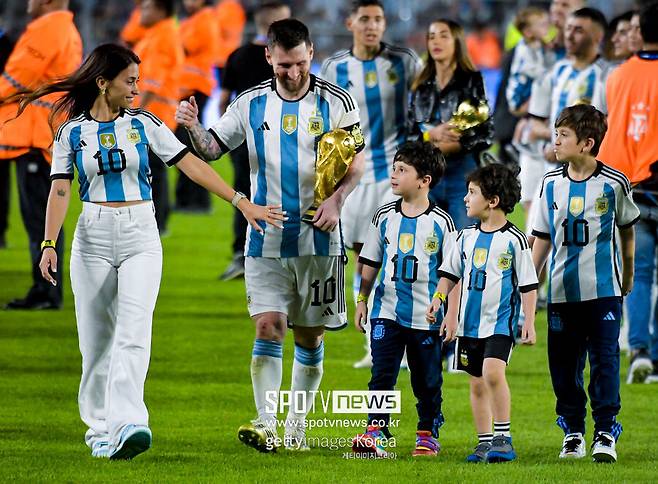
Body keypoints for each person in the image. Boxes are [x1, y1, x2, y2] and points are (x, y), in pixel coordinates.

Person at [6, 43, 283, 460]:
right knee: (96, 342)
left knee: (134, 333)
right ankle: (100, 431)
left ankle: (130, 423)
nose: (137, 89)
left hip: (140, 235)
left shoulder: (146, 123)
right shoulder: (70, 132)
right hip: (92, 238)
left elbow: (190, 164)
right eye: (130, 81)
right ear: (104, 83)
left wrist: (239, 200)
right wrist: (48, 244)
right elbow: (60, 188)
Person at [175, 18, 365, 452]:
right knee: (269, 326)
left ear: (311, 53)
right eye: (283, 65)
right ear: (268, 57)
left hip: (319, 238)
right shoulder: (250, 102)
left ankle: (297, 426)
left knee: (308, 336)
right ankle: (267, 424)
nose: (293, 73)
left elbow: (354, 164)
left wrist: (336, 202)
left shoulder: (337, 102)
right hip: (265, 237)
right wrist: (191, 124)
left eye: (299, 63)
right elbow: (211, 149)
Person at [532, 104, 639, 463]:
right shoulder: (550, 184)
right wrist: (530, 285)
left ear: (587, 144)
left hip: (604, 291)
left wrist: (629, 270)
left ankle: (606, 431)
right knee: (563, 366)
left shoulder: (614, 183)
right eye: (556, 132)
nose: (555, 140)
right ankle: (574, 432)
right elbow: (542, 239)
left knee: (605, 361)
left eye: (563, 135)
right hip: (561, 293)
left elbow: (627, 229)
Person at [320, 0, 421, 369]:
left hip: (396, 174)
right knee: (364, 258)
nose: (372, 26)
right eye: (365, 19)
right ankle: (373, 341)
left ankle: (403, 342)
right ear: (350, 22)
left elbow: (424, 103)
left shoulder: (405, 61)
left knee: (396, 256)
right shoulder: (335, 67)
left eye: (378, 19)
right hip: (356, 175)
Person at [427, 163, 538, 464]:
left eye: (472, 192)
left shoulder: (514, 240)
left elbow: (528, 285)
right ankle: (484, 442)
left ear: (493, 201)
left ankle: (503, 437)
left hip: (500, 324)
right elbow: (449, 275)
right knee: (476, 381)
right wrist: (439, 300)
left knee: (492, 372)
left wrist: (528, 321)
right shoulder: (464, 238)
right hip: (468, 326)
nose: (465, 198)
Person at [351, 141, 456, 458]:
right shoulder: (383, 216)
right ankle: (376, 431)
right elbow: (369, 262)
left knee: (427, 380)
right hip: (387, 311)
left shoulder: (442, 222)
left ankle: (427, 431)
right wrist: (361, 300)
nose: (394, 175)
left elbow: (450, 272)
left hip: (426, 316)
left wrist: (448, 314)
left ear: (424, 180)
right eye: (394, 168)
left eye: (402, 170)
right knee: (381, 373)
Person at [0, 0, 82, 310]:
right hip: (41, 135)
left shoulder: (49, 29)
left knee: (40, 221)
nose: (27, 2)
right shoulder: (62, 28)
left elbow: (15, 82)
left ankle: (46, 291)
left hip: (35, 136)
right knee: (41, 220)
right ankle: (46, 289)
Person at [597, 1, 658, 384]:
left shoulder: (618, 76)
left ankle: (638, 350)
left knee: (640, 272)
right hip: (655, 178)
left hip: (629, 185)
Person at [218, 0, 291, 281]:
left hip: (244, 138)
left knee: (243, 194)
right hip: (282, 136)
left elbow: (224, 100)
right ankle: (276, 252)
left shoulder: (237, 55)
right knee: (281, 192)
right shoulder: (285, 60)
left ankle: (242, 252)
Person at [407, 18, 494, 232]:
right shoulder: (421, 85)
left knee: (463, 244)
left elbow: (486, 133)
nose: (436, 42)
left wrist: (456, 145)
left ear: (457, 42)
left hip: (463, 176)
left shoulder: (472, 80)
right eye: (431, 37)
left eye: (444, 36)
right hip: (428, 176)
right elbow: (409, 135)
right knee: (428, 246)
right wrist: (431, 135)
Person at [133, 0, 184, 234]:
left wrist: (135, 111)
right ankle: (158, 220)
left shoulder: (163, 36)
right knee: (152, 167)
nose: (141, 11)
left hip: (154, 110)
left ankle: (158, 221)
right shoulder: (158, 33)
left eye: (146, 7)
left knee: (153, 167)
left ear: (161, 10)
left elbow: (152, 80)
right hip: (154, 109)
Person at [173, 0, 220, 213]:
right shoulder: (193, 20)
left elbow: (183, 46)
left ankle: (198, 200)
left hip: (196, 87)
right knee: (185, 144)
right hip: (187, 87)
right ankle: (186, 199)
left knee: (189, 144)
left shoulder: (204, 20)